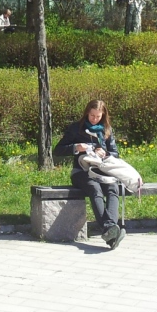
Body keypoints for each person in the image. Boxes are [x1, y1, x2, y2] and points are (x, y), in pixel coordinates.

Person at [54, 99, 126, 249]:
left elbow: (115, 153)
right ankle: (110, 229)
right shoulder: (76, 128)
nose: (94, 119)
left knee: (113, 188)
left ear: (103, 115)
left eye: (98, 116)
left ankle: (110, 230)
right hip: (82, 172)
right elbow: (58, 150)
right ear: (87, 113)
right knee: (95, 189)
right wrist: (76, 147)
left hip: (103, 170)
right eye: (92, 116)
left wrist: (104, 153)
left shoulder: (106, 129)